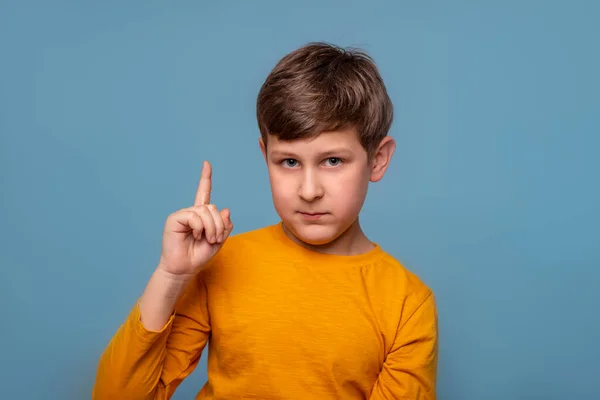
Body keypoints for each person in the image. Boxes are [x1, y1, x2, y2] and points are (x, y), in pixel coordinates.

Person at [92, 42, 438, 400]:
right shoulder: (221, 264)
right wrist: (172, 276)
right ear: (265, 155)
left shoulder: (406, 303)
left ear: (378, 160)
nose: (308, 190)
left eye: (333, 161)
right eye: (289, 162)